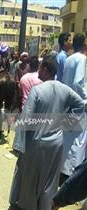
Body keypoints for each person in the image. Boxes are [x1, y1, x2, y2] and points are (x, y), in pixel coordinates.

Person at [9, 55, 86, 210]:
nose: (38, 70)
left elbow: (26, 117)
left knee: (30, 177)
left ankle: (28, 206)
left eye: (40, 67)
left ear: (45, 69)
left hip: (35, 142)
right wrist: (66, 121)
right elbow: (82, 104)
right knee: (50, 180)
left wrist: (18, 144)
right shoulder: (65, 90)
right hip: (56, 144)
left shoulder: (37, 90)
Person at [61, 34, 87, 184]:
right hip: (79, 104)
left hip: (68, 102)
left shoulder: (69, 58)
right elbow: (78, 82)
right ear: (83, 44)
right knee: (78, 140)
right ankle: (71, 173)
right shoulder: (82, 59)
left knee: (68, 138)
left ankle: (64, 169)